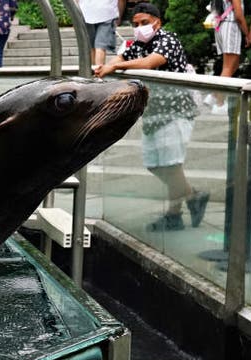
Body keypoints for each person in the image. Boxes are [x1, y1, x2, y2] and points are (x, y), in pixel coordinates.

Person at [94, 2, 208, 232]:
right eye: (135, 24)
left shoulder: (168, 39)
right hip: (153, 113)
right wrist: (109, 65)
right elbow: (120, 57)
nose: (139, 28)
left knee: (170, 165)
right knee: (156, 165)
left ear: (157, 22)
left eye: (144, 23)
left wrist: (114, 68)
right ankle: (193, 196)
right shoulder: (136, 44)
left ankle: (174, 215)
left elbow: (149, 62)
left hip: (176, 112)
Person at [210, 0, 250, 114]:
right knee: (228, 67)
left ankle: (214, 94)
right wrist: (247, 34)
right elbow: (238, 15)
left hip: (221, 24)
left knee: (235, 63)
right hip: (230, 25)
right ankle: (219, 103)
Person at [79, 0, 124, 67]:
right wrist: (119, 17)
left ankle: (91, 73)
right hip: (107, 12)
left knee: (91, 47)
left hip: (85, 12)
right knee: (100, 47)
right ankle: (98, 73)